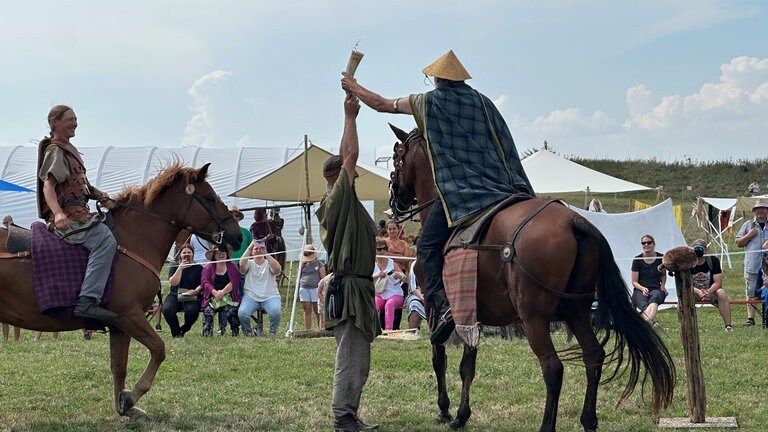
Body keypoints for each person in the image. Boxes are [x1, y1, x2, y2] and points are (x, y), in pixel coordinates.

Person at [341, 50, 534, 345]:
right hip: (504, 190)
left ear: (438, 79)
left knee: (428, 249)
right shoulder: (484, 103)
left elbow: (382, 105)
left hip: (462, 196)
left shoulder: (429, 102)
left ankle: (443, 309)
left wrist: (354, 87)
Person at [316, 92, 380, 432]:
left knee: (357, 359)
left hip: (355, 286)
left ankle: (349, 415)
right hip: (350, 288)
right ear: (339, 175)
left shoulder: (337, 199)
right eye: (349, 173)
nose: (356, 175)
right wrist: (350, 116)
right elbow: (350, 154)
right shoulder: (338, 197)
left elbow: (346, 157)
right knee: (351, 359)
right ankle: (343, 419)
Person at [37, 105, 117, 321]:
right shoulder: (56, 150)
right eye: (70, 119)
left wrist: (102, 196)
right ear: (55, 122)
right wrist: (58, 213)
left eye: (76, 119)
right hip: (70, 218)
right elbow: (48, 186)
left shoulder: (69, 151)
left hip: (81, 212)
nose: (75, 123)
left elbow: (81, 187)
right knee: (105, 241)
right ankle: (87, 301)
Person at [238, 239, 282, 336]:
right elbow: (241, 264)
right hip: (250, 296)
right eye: (256, 249)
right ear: (252, 252)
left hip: (270, 296)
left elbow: (277, 269)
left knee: (276, 312)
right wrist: (250, 246)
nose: (258, 250)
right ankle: (248, 332)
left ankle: (272, 331)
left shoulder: (269, 263)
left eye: (261, 248)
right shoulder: (248, 263)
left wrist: (266, 253)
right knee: (242, 313)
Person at [735, 198, 768, 327]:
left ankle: (766, 317)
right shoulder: (748, 225)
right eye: (758, 209)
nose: (760, 211)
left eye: (763, 209)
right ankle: (751, 318)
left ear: (767, 211)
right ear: (754, 211)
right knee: (750, 291)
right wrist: (749, 235)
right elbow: (738, 243)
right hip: (752, 265)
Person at [690, 239, 732, 332]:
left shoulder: (713, 260)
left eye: (701, 249)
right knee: (683, 299)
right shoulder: (688, 263)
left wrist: (708, 291)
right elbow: (686, 284)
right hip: (693, 291)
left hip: (711, 291)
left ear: (706, 250)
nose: (698, 251)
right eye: (695, 249)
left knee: (721, 293)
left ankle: (728, 325)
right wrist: (698, 291)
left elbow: (718, 282)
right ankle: (688, 326)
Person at [163, 244, 203, 338]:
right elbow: (173, 282)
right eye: (184, 252)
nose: (186, 254)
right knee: (167, 310)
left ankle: (184, 328)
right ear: (180, 254)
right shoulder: (175, 266)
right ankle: (176, 332)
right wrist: (180, 268)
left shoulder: (198, 267)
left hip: (191, 294)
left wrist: (195, 291)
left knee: (192, 311)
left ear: (193, 254)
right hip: (175, 294)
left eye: (189, 252)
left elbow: (202, 283)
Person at [200, 246, 242, 337]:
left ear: (227, 254)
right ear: (214, 255)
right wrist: (215, 293)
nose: (221, 254)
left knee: (231, 312)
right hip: (212, 298)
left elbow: (235, 281)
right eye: (218, 252)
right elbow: (205, 282)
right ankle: (207, 334)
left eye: (223, 252)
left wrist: (221, 293)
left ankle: (235, 332)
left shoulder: (233, 266)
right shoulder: (208, 267)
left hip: (229, 297)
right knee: (208, 312)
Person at [630, 234, 667, 327]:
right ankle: (650, 323)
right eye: (643, 243)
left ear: (654, 244)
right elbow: (634, 282)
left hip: (656, 288)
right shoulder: (637, 260)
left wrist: (662, 286)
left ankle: (645, 323)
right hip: (640, 289)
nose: (646, 245)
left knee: (654, 299)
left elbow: (663, 275)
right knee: (644, 305)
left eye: (649, 242)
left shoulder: (661, 258)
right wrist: (642, 289)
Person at [373, 240, 405, 331]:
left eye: (384, 248)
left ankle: (388, 330)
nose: (381, 251)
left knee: (389, 304)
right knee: (374, 304)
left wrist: (399, 275)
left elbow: (405, 278)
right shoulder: (372, 264)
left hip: (395, 293)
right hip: (379, 293)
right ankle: (374, 328)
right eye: (379, 249)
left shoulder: (392, 263)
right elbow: (366, 278)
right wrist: (377, 275)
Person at [299, 244, 326, 330]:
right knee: (307, 309)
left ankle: (320, 328)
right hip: (304, 288)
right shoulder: (302, 265)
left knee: (317, 309)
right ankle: (308, 329)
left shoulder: (320, 264)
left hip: (315, 289)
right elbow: (298, 277)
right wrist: (301, 267)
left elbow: (323, 279)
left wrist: (322, 291)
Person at [406, 260, 427, 330]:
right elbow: (413, 287)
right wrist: (421, 297)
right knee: (414, 304)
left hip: (435, 295)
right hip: (416, 294)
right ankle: (412, 332)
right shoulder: (415, 264)